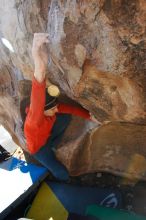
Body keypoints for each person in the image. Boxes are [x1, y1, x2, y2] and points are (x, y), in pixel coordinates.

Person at [24, 33, 98, 180]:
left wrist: (91, 117)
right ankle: (65, 181)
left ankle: (53, 142)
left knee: (64, 117)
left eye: (55, 106)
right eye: (52, 109)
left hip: (46, 136)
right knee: (61, 172)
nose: (56, 109)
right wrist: (37, 59)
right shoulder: (34, 121)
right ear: (42, 111)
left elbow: (70, 109)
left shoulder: (50, 110)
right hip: (39, 149)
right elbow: (37, 89)